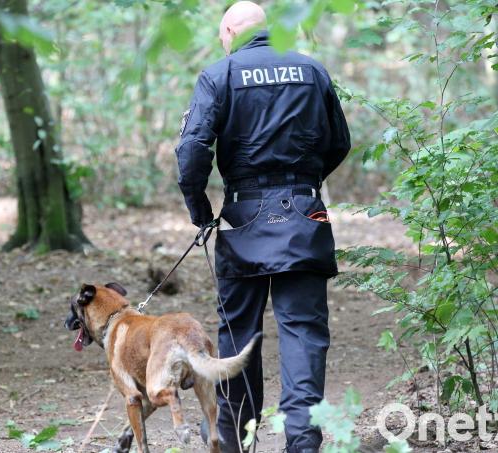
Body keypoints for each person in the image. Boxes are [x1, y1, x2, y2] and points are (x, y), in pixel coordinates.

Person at [174, 2, 351, 452]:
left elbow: (192, 152)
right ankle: (303, 442)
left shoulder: (221, 75)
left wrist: (200, 209)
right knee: (303, 333)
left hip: (241, 216)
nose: (223, 44)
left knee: (238, 333)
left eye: (222, 37)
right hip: (304, 216)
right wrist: (303, 184)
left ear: (231, 29)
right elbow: (339, 142)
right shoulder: (313, 71)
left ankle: (235, 439)